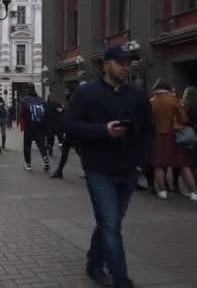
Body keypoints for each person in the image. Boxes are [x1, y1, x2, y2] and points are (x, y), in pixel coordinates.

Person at [64, 44, 153, 288]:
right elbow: (69, 125)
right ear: (106, 65)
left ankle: (94, 262)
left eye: (129, 63)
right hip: (98, 169)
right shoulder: (86, 93)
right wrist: (103, 130)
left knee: (109, 223)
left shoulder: (136, 94)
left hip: (128, 170)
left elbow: (147, 131)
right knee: (111, 224)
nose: (126, 67)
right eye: (121, 62)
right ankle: (121, 280)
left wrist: (141, 164)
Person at [150, 79, 197, 201]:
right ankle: (194, 192)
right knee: (183, 164)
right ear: (168, 89)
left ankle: (162, 191)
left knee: (158, 165)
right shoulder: (173, 101)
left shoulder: (151, 101)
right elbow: (184, 119)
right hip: (174, 136)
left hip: (158, 136)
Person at [18, 83, 50, 172]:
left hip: (29, 126)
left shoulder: (25, 100)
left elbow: (22, 114)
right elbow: (46, 112)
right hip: (40, 125)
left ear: (27, 90)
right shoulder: (41, 100)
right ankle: (45, 158)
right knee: (41, 145)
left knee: (27, 145)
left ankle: (28, 165)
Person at [45, 93, 64, 158]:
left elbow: (44, 114)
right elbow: (62, 112)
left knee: (50, 137)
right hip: (57, 123)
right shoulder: (58, 104)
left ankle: (50, 145)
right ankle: (61, 143)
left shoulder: (46, 105)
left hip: (49, 124)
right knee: (60, 134)